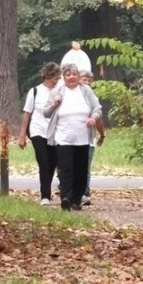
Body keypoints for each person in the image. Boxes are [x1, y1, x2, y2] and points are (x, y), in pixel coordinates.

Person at [44, 64, 102, 211]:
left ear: (78, 76)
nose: (71, 77)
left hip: (83, 138)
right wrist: (54, 104)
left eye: (74, 74)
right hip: (63, 137)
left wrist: (93, 118)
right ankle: (66, 198)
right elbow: (46, 112)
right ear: (64, 77)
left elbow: (97, 108)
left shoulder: (86, 90)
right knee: (65, 169)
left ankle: (76, 199)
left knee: (81, 170)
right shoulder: (58, 91)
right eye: (68, 75)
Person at [17, 62, 62, 205]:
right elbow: (27, 114)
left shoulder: (60, 92)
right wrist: (22, 135)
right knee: (43, 162)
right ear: (48, 76)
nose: (57, 80)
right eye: (56, 77)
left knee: (52, 163)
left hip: (54, 131)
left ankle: (46, 190)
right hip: (37, 130)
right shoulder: (35, 91)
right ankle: (45, 195)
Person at [79, 69, 105, 205]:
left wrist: (102, 134)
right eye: (84, 78)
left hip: (88, 138)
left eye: (89, 80)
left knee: (85, 166)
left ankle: (84, 192)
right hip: (70, 138)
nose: (87, 82)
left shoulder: (92, 97)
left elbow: (98, 117)